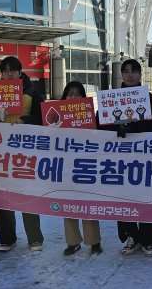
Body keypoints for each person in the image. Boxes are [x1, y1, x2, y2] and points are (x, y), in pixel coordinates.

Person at [102, 59, 152, 257]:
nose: (130, 75)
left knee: (148, 199)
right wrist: (117, 128)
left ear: (140, 74)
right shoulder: (111, 100)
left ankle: (148, 240)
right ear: (121, 75)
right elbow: (100, 126)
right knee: (124, 199)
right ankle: (130, 236)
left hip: (147, 159)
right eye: (126, 71)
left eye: (134, 71)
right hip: (120, 161)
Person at [0, 56, 45, 252]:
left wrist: (25, 121)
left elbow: (43, 118)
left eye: (12, 70)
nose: (8, 74)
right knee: (1, 196)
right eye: (4, 71)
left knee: (26, 195)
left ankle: (35, 238)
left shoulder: (32, 93)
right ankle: (7, 238)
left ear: (20, 72)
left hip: (24, 153)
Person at [58, 81, 103, 256]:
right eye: (70, 94)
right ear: (64, 96)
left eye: (78, 94)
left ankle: (94, 241)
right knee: (68, 203)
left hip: (86, 165)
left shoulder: (90, 115)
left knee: (88, 203)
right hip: (64, 165)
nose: (73, 97)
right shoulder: (55, 115)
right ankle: (73, 242)